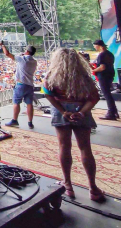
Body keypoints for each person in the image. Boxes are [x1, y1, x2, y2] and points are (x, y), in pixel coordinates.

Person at [42, 48, 104, 202]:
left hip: (61, 112)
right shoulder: (85, 77)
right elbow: (94, 97)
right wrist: (82, 112)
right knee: (85, 148)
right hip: (81, 110)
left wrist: (63, 111)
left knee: (64, 147)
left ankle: (68, 185)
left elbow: (47, 94)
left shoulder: (51, 76)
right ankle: (93, 189)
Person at [0, 42, 38, 129]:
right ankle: (30, 122)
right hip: (30, 85)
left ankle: (14, 120)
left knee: (16, 102)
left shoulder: (22, 59)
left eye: (25, 50)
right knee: (29, 104)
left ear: (27, 51)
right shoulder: (34, 61)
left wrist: (3, 46)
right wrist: (22, 55)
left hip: (21, 84)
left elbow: (7, 54)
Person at [92, 40, 118, 120]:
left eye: (94, 46)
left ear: (98, 45)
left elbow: (102, 67)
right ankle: (114, 111)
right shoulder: (109, 54)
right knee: (108, 93)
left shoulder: (102, 55)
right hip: (110, 74)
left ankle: (111, 113)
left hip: (104, 76)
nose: (94, 47)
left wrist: (94, 70)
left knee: (106, 94)